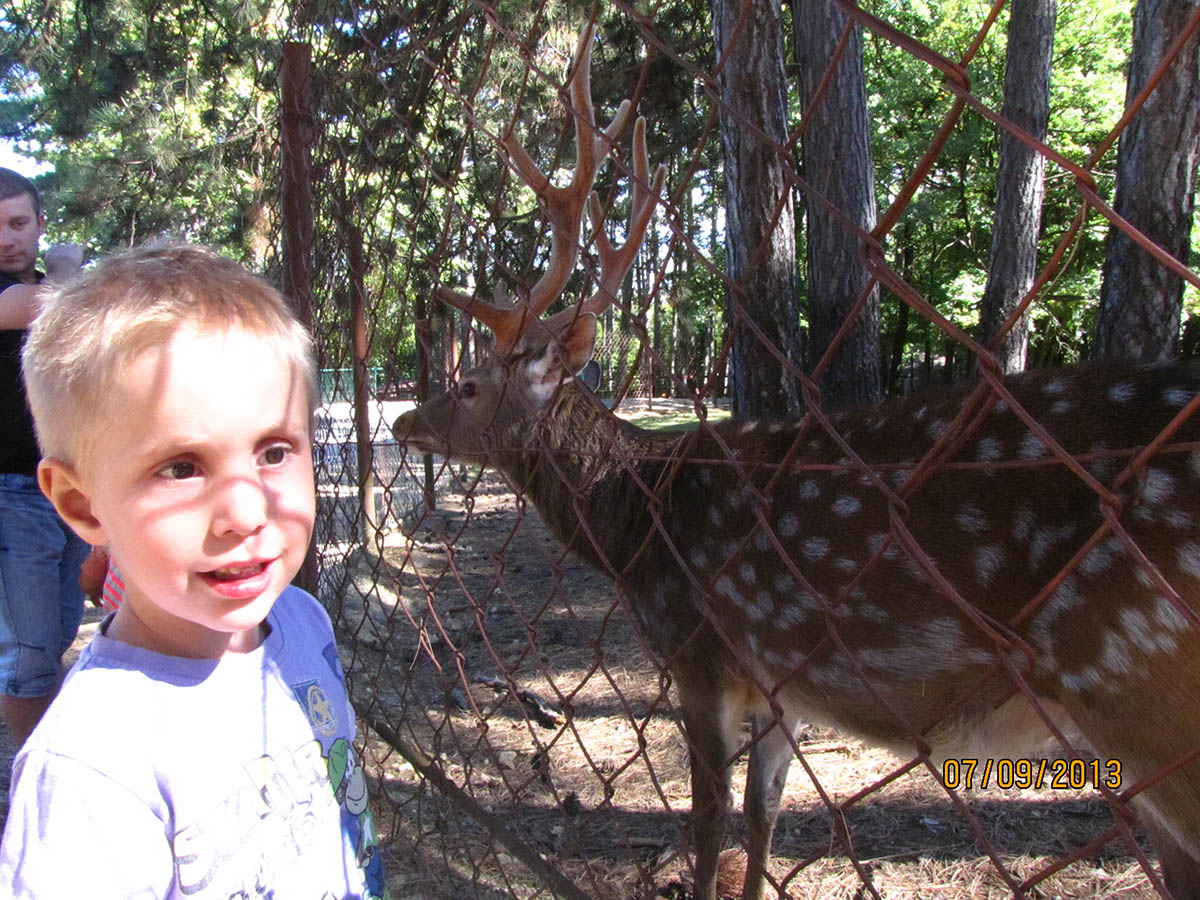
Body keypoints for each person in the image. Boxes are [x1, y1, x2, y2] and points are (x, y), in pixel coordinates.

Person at [0, 243, 388, 898]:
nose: (246, 512)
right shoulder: (90, 765)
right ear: (81, 504)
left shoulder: (302, 620)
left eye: (273, 452)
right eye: (181, 468)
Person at [0, 167, 91, 747]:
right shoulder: (49, 290)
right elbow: (37, 305)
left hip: (62, 489)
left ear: (38, 223)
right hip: (8, 495)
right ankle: (28, 776)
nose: (7, 239)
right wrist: (65, 265)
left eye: (17, 223)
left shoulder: (61, 291)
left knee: (54, 637)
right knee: (28, 654)